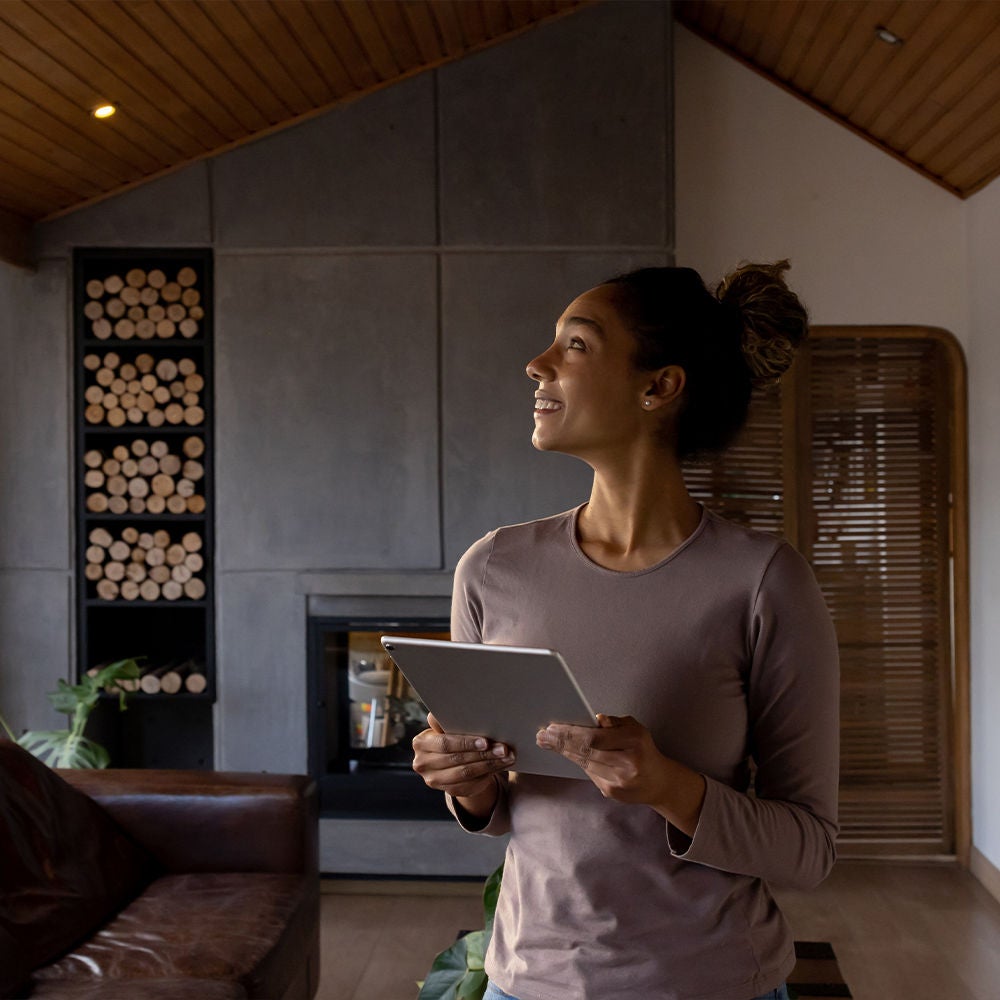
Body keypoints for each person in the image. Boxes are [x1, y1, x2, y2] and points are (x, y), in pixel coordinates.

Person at [411, 262, 840, 1000]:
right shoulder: (491, 568)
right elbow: (507, 809)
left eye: (574, 345)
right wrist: (465, 784)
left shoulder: (765, 582)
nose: (536, 364)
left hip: (711, 984)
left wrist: (668, 787)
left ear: (659, 387)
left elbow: (809, 850)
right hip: (524, 983)